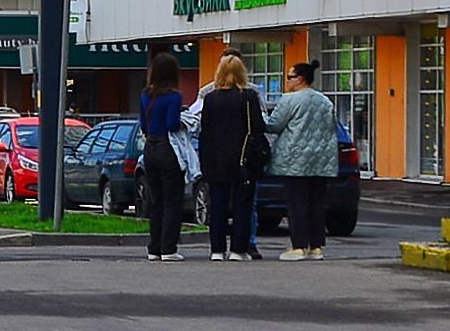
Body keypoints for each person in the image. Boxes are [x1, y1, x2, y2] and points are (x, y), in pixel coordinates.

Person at [194, 54, 268, 262]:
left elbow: (204, 131)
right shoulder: (249, 97)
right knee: (242, 207)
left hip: (216, 161)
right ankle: (238, 250)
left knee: (217, 207)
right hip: (243, 160)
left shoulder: (210, 99)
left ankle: (217, 250)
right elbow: (257, 128)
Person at [267, 61, 341, 260]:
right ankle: (316, 247)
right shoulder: (325, 101)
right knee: (316, 204)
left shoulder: (289, 100)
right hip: (321, 160)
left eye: (290, 76)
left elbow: (274, 125)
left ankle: (298, 246)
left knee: (297, 204)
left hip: (295, 160)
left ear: (299, 78)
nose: (287, 80)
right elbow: (331, 126)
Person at [137, 52, 187, 261]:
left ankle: (154, 248)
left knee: (155, 200)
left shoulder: (146, 95)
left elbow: (143, 125)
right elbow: (172, 124)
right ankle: (169, 248)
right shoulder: (174, 97)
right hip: (168, 148)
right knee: (173, 200)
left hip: (150, 148)